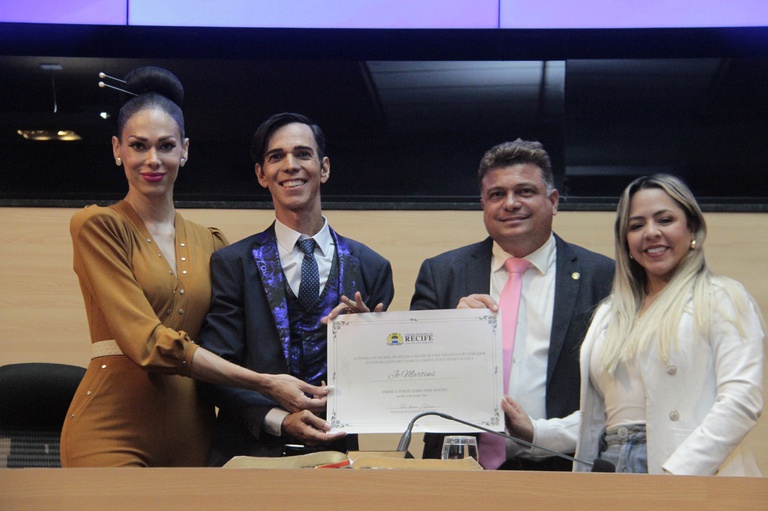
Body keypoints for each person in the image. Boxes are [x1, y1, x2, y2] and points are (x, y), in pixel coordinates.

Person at [60, 68, 329, 468]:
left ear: (184, 150)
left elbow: (248, 337)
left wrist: (341, 325)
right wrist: (265, 383)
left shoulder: (213, 244)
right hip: (112, 428)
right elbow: (146, 343)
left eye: (166, 146)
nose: (153, 159)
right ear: (118, 149)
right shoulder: (99, 226)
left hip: (193, 432)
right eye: (138, 146)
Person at [198, 112, 395, 466]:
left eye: (303, 154)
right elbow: (215, 369)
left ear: (324, 168)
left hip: (336, 458)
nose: (290, 165)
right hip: (247, 459)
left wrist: (368, 343)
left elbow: (382, 381)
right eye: (277, 156)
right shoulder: (232, 264)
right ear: (262, 174)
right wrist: (279, 420)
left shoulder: (372, 268)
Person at [411, 139, 614, 470]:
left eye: (525, 192)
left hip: (563, 468)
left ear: (553, 201)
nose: (510, 203)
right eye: (497, 194)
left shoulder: (601, 276)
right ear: (483, 205)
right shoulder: (442, 273)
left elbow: (616, 397)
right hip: (460, 470)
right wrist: (449, 331)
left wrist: (541, 434)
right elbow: (414, 376)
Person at [571, 174, 765, 475]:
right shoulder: (610, 313)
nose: (651, 233)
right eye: (636, 225)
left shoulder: (722, 297)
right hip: (610, 465)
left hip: (689, 469)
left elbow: (741, 401)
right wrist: (534, 431)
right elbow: (596, 419)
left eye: (665, 220)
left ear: (692, 229)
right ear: (626, 241)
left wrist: (675, 475)